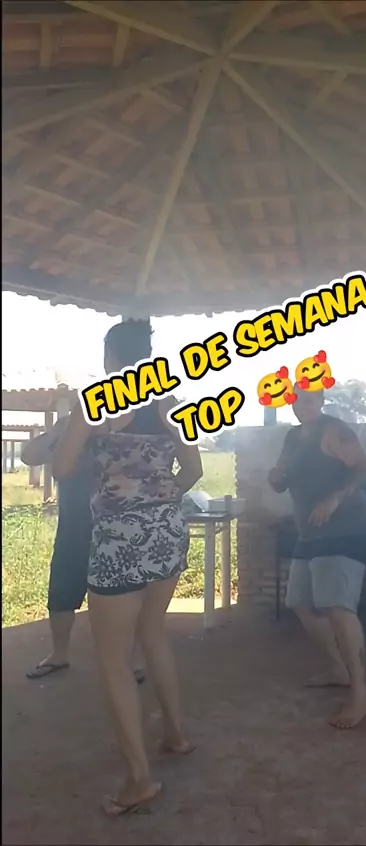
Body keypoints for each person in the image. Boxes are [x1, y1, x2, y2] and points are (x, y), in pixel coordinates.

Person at [51, 319, 203, 816]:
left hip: (118, 540)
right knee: (154, 632)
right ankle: (176, 734)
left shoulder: (96, 402)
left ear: (111, 356)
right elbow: (194, 470)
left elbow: (62, 467)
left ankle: (139, 778)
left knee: (114, 659)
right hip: (167, 534)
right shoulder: (171, 405)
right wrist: (159, 501)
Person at [268, 384, 366, 729]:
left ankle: (360, 695)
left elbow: (365, 467)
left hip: (346, 528)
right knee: (299, 602)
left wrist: (334, 498)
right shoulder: (292, 437)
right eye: (296, 399)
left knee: (337, 607)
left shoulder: (335, 429)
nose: (303, 405)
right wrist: (275, 479)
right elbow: (282, 480)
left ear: (322, 401)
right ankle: (338, 669)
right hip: (310, 533)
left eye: (310, 399)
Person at [21, 419, 145, 684]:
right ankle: (59, 654)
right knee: (61, 592)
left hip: (117, 529)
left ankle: (128, 660)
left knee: (123, 597)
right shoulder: (70, 429)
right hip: (74, 528)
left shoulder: (124, 427)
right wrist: (59, 431)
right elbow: (29, 456)